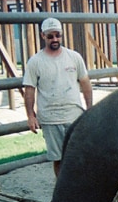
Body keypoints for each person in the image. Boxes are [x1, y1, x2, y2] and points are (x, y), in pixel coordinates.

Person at [23, 17, 93, 177]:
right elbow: (29, 90)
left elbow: (85, 83)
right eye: (50, 36)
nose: (55, 39)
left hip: (74, 116)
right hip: (50, 118)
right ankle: (62, 191)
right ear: (43, 36)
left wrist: (89, 109)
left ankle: (79, 190)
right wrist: (30, 115)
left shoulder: (74, 57)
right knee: (58, 158)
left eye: (57, 35)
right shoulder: (35, 62)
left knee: (79, 156)